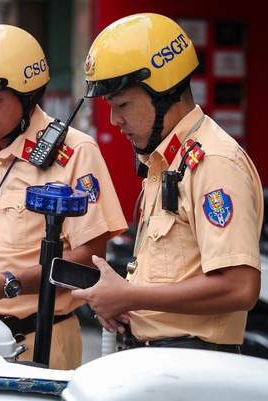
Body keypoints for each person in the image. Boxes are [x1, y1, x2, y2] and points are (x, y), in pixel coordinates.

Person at [72, 13, 263, 353]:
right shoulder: (166, 160)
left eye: (122, 105)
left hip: (191, 364)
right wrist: (122, 303)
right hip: (158, 359)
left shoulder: (213, 162)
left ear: (164, 94)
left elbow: (240, 287)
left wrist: (129, 296)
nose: (115, 120)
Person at [0, 24, 128, 370]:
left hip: (37, 341)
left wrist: (8, 284)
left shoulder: (75, 153)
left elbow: (88, 261)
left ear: (29, 96)